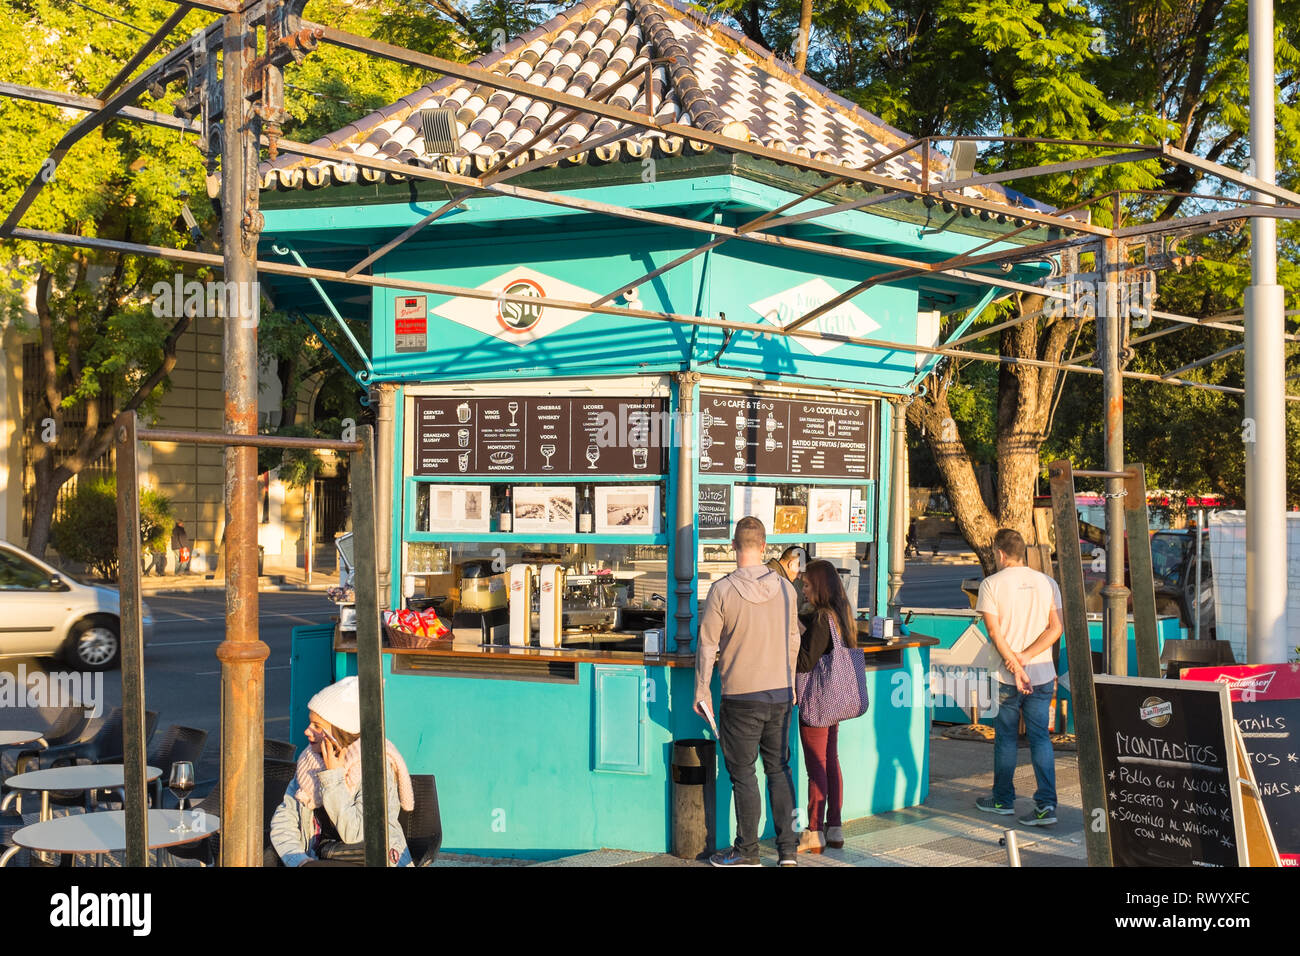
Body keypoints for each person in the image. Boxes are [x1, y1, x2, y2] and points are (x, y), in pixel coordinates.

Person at [695, 515, 801, 867]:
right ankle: (788, 852)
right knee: (779, 770)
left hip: (741, 696)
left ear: (733, 546)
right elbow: (794, 641)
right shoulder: (786, 590)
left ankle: (748, 852)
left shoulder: (722, 591)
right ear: (764, 545)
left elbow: (707, 645)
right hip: (780, 693)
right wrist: (791, 684)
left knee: (743, 775)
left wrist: (702, 690)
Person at [269, 676, 415, 866]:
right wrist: (300, 861)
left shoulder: (375, 768)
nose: (306, 731)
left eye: (317, 726)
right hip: (318, 860)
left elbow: (354, 833)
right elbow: (284, 821)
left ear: (340, 732)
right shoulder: (309, 763)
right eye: (310, 723)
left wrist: (333, 778)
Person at [974, 528, 1064, 826]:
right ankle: (1047, 805)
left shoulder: (991, 585)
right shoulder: (1047, 582)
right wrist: (1026, 659)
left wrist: (1014, 664)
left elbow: (994, 632)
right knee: (1040, 738)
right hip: (1042, 674)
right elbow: (1056, 628)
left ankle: (1002, 800)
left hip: (1005, 677)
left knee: (1006, 739)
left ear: (1000, 553)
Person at [794, 559, 858, 854]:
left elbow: (805, 662)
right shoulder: (842, 615)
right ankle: (834, 827)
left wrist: (795, 632)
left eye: (807, 585)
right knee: (831, 762)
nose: (804, 591)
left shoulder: (822, 618)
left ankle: (814, 831)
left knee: (816, 767)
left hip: (818, 701)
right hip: (835, 699)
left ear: (819, 586)